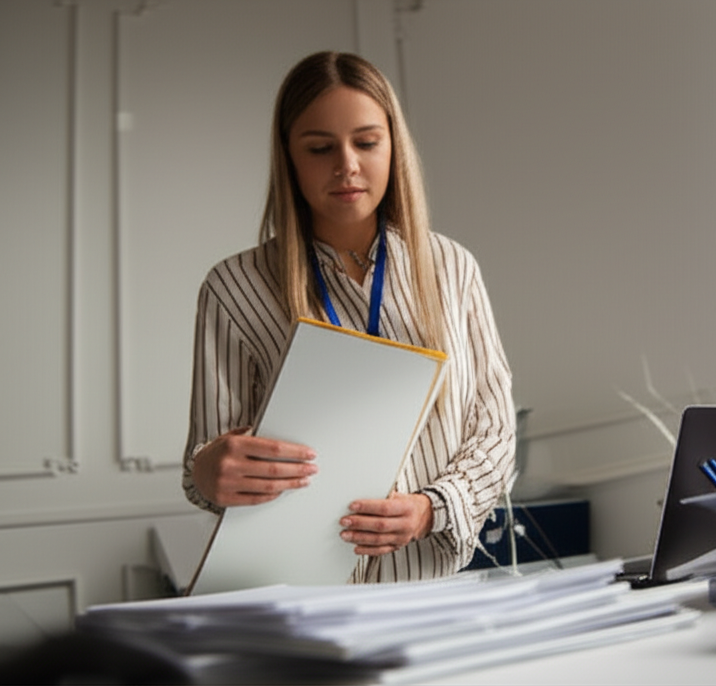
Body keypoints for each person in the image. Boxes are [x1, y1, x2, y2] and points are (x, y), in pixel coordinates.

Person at [181, 51, 516, 583]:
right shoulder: (232, 288)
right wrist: (208, 470)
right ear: (289, 156)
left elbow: (495, 428)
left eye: (365, 142)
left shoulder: (453, 268)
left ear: (393, 146)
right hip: (295, 594)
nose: (346, 165)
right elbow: (205, 461)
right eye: (319, 148)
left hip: (432, 592)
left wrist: (431, 507)